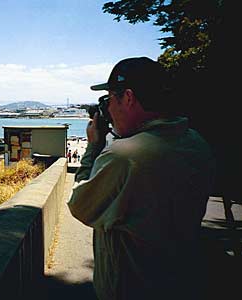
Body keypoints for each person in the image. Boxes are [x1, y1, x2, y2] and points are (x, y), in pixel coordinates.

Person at [67, 57, 215, 300]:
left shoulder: (124, 156)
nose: (108, 110)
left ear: (127, 97)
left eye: (108, 99)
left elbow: (80, 204)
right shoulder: (195, 143)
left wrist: (94, 147)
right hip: (181, 280)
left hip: (131, 287)